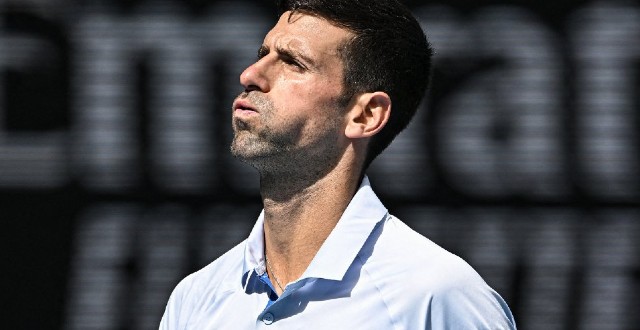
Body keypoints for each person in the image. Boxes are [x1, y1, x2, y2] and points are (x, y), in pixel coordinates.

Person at [160, 0, 516, 328]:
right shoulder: (194, 299)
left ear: (365, 115)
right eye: (263, 53)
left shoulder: (437, 295)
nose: (250, 74)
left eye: (294, 62)